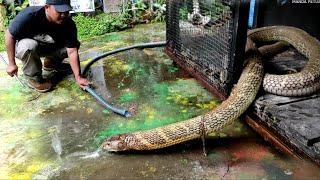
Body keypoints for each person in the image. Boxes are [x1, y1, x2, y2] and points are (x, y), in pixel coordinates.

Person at [5, 0, 89, 92]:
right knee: (29, 46)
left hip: (46, 45)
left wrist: (78, 77)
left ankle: (51, 63)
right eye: (59, 12)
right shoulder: (29, 15)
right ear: (47, 7)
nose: (63, 15)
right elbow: (9, 35)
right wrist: (11, 63)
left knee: (73, 44)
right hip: (26, 47)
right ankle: (34, 79)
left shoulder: (68, 24)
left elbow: (72, 51)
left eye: (66, 12)